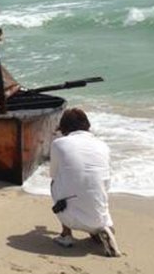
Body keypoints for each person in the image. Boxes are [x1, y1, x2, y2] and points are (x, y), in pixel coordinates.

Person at [50, 108, 120, 257]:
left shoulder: (58, 143)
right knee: (95, 185)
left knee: (56, 182)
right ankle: (98, 230)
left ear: (64, 127)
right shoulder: (103, 145)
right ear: (87, 125)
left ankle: (66, 234)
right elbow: (106, 184)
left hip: (72, 218)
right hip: (100, 215)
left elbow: (53, 174)